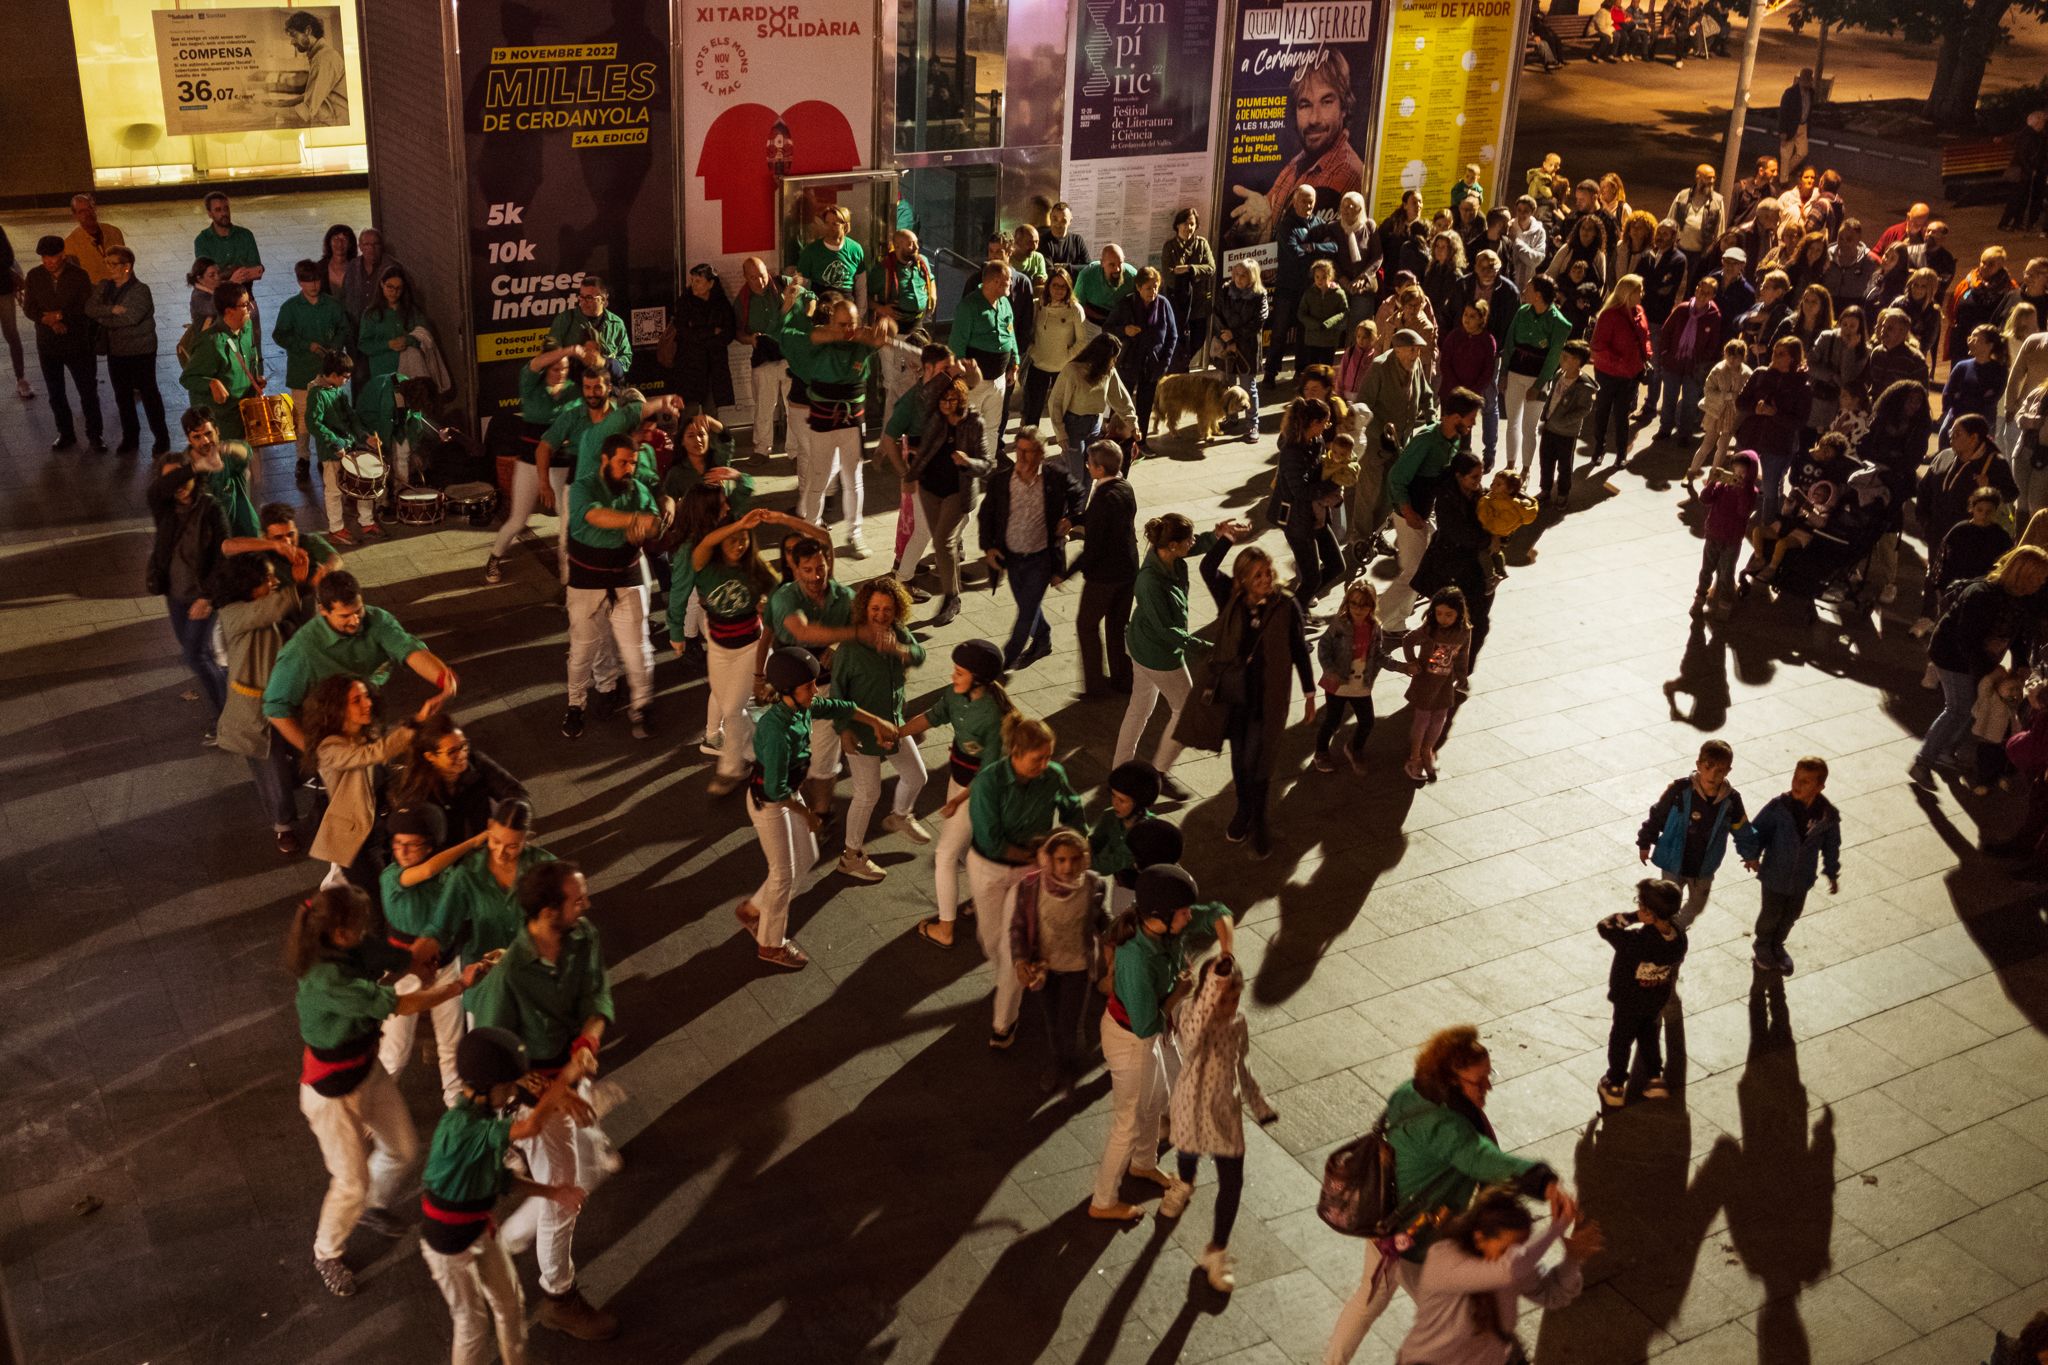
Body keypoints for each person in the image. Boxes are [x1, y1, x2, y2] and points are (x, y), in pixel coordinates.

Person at [1322, 1026, 1579, 1362]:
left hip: (1386, 1223)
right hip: (1417, 1238)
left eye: (1489, 1075)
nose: (1487, 1086)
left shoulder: (1412, 1091)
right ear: (1451, 1079)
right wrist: (1542, 1182)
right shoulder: (1448, 1128)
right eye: (1478, 1080)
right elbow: (1482, 1159)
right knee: (1469, 1315)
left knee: (1368, 1301)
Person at [287, 884, 487, 1298]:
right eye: (357, 927)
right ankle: (326, 1250)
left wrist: (418, 962)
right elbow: (402, 1005)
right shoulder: (326, 978)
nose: (363, 933)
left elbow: (389, 955)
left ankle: (368, 1206)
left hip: (366, 1070)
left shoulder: (348, 947)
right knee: (349, 1182)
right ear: (337, 931)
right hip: (330, 1095)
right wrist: (455, 986)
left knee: (403, 1148)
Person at [457, 858, 620, 1341]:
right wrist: (555, 1094)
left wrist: (588, 1045)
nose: (585, 904)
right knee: (566, 1190)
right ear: (549, 912)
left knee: (585, 1171)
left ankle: (513, 1238)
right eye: (576, 899)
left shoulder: (583, 936)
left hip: (570, 1078)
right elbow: (495, 1057)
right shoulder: (508, 976)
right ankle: (558, 1295)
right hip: (534, 1098)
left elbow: (598, 998)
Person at [420, 1027, 589, 1365]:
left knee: (511, 1304)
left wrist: (554, 1192)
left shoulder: (484, 1116)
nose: (514, 1093)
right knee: (471, 1323)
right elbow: (529, 1128)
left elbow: (502, 1180)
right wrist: (559, 1086)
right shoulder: (462, 1126)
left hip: (480, 1229)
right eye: (510, 1086)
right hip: (448, 1245)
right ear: (491, 1087)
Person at [1090, 864, 1233, 1221]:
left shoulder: (1165, 928)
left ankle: (1143, 1164)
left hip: (1149, 1037)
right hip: (1130, 1040)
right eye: (1183, 912)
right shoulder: (1136, 959)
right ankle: (1103, 1201)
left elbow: (1218, 913)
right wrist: (1180, 992)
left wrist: (1227, 951)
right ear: (1161, 916)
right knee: (1126, 1123)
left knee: (1154, 1101)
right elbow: (1145, 1025)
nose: (1189, 917)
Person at [1183, 541, 1314, 855]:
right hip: (1234, 695)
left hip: (1267, 699)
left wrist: (1309, 691)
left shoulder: (1285, 604)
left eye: (1267, 573)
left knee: (1260, 761)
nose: (1265, 580)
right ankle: (1245, 808)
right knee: (1241, 760)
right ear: (1241, 579)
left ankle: (1258, 819)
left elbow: (1298, 647)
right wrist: (1225, 540)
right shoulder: (1232, 597)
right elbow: (1206, 568)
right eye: (1257, 575)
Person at [1161, 952, 1276, 1291]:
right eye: (1223, 998)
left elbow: (1243, 1064)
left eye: (1235, 998)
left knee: (1232, 1181)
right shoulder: (1192, 1019)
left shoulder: (1238, 1023)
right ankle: (1184, 1183)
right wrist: (1212, 989)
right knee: (1187, 1153)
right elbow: (1192, 1037)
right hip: (1193, 1109)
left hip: (1226, 1112)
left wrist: (1258, 1102)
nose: (1230, 1006)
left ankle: (1216, 1249)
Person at [969, 712, 1084, 1046]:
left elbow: (1073, 808)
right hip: (989, 867)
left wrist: (1074, 841)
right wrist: (1037, 856)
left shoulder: (1053, 776)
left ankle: (1003, 1023)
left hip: (1029, 872)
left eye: (1049, 756)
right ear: (1015, 754)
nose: (1046, 765)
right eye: (1039, 758)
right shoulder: (989, 783)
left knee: (1012, 945)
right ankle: (1012, 979)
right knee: (989, 939)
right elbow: (991, 840)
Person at [1116, 514, 1247, 801]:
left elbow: (1197, 547)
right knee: (1185, 709)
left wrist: (1219, 535)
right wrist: (1204, 647)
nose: (1192, 543)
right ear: (1172, 545)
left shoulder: (1166, 555)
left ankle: (1120, 770)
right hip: (1157, 655)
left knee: (1139, 707)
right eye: (1187, 540)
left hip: (1141, 645)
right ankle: (1159, 773)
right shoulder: (1150, 581)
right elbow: (1167, 631)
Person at [261, 570, 456, 754]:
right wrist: (317, 754)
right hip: (331, 727)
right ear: (323, 611)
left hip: (366, 714)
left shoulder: (377, 619)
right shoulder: (301, 651)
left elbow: (407, 649)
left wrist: (442, 680)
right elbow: (276, 709)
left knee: (375, 759)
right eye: (345, 616)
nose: (355, 621)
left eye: (358, 611)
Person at [1395, 1190, 1600, 1365]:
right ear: (1479, 1238)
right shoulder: (1443, 1258)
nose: (1516, 1253)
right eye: (1505, 1248)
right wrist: (1556, 1228)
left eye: (1520, 1246)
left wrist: (1572, 1259)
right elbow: (1509, 1271)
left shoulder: (1516, 1262)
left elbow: (1554, 1294)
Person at [902, 640, 1016, 948]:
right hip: (960, 779)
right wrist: (898, 733)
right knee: (970, 850)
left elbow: (989, 773)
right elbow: (933, 715)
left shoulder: (993, 716)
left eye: (960, 671)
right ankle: (987, 900)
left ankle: (945, 927)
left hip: (979, 791)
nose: (953, 676)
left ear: (978, 678)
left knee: (945, 855)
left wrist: (956, 800)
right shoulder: (955, 695)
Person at [374, 804, 480, 1110]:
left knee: (451, 1043)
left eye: (412, 844)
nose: (403, 851)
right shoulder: (392, 876)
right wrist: (474, 842)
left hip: (446, 963)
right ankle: (374, 1107)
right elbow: (427, 870)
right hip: (403, 970)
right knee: (395, 1049)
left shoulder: (451, 878)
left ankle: (455, 1106)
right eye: (398, 843)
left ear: (431, 846)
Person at [562, 434, 663, 740]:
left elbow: (655, 522)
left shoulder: (638, 488)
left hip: (625, 577)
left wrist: (650, 524)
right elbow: (595, 515)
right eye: (623, 462)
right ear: (605, 460)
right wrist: (633, 521)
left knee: (637, 649)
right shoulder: (583, 487)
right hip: (586, 580)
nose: (629, 469)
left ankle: (641, 706)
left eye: (633, 462)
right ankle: (575, 704)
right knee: (583, 651)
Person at [830, 576, 930, 881]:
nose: (881, 615)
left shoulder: (898, 633)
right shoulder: (850, 649)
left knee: (916, 776)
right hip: (862, 733)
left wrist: (900, 650)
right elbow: (837, 694)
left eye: (887, 609)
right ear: (865, 608)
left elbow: (919, 655)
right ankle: (851, 856)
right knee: (867, 794)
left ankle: (899, 815)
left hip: (894, 725)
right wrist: (843, 730)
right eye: (875, 608)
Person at [208, 553, 303, 851]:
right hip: (256, 710)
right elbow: (274, 609)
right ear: (247, 586)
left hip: (288, 701)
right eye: (267, 580)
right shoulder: (234, 613)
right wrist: (301, 581)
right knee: (271, 770)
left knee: (302, 755)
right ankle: (283, 824)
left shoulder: (263, 608)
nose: (274, 583)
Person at [1006, 829, 1112, 1094]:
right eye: (1061, 860)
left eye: (1074, 859)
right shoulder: (1031, 886)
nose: (1068, 867)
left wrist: (1117, 939)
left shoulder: (1093, 885)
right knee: (1051, 1020)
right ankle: (1059, 1061)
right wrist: (1020, 961)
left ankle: (1067, 1066)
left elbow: (1102, 920)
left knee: (1069, 1021)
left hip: (1077, 967)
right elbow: (1018, 926)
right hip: (1045, 968)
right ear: (1049, 860)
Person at [782, 295, 886, 559]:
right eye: (841, 324)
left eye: (852, 323)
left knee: (854, 479)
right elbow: (814, 336)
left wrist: (883, 327)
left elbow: (886, 334)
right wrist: (835, 332)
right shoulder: (820, 341)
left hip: (853, 421)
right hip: (823, 420)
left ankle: (855, 533)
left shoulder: (861, 344)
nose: (848, 330)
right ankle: (810, 533)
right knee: (819, 476)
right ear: (831, 322)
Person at [768, 535, 859, 822]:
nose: (816, 576)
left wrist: (839, 646)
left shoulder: (845, 597)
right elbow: (802, 632)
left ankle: (821, 812)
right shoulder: (784, 598)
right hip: (790, 695)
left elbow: (863, 631)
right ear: (795, 570)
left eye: (820, 567)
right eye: (807, 570)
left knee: (824, 758)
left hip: (826, 689)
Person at [979, 430, 1080, 671]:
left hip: (1041, 558)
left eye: (1029, 451)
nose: (1022, 456)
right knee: (1028, 605)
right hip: (1012, 557)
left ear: (1042, 454)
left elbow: (1078, 493)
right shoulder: (1001, 481)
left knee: (1025, 612)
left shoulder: (1054, 477)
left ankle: (1004, 661)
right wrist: (989, 548)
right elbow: (986, 516)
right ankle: (1043, 637)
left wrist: (1071, 518)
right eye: (1019, 450)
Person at [1380, 388, 1482, 627]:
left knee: (1423, 570)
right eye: (1471, 419)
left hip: (1426, 512)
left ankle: (1396, 622)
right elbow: (1396, 479)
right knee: (1414, 572)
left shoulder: (1453, 439)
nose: (1473, 424)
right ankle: (1374, 619)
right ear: (1456, 417)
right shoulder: (1426, 440)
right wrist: (1409, 513)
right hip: (1410, 514)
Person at [1638, 738, 1760, 935]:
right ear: (1698, 765)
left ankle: (1675, 929)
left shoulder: (1731, 801)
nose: (1713, 774)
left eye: (1720, 770)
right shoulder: (1679, 790)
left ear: (1728, 771)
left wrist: (1750, 854)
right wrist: (1645, 841)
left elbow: (1742, 828)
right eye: (1708, 766)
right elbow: (1658, 814)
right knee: (1666, 904)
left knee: (1697, 905)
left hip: (1703, 866)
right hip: (1673, 862)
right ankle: (1658, 934)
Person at [146, 454, 229, 729]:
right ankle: (226, 696)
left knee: (195, 655)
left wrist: (208, 598)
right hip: (176, 595)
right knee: (197, 652)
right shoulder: (164, 508)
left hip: (202, 596)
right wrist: (190, 467)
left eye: (183, 477)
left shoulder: (210, 509)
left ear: (195, 478)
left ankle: (227, 718)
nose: (178, 485)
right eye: (171, 479)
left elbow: (222, 556)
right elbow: (155, 491)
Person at [1592, 878, 1689, 1107]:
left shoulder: (1636, 941)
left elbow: (1604, 926)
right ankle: (1655, 1078)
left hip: (1628, 1001)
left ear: (1648, 911)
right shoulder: (1679, 937)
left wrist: (1635, 917)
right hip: (1656, 998)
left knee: (1620, 1040)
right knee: (1649, 1036)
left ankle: (1615, 1084)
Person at [1748, 755, 1843, 974]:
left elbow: (1831, 846)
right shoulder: (1779, 808)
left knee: (1791, 914)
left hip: (1802, 879)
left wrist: (1832, 872)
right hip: (1774, 875)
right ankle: (1763, 944)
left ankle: (1777, 945)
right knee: (1770, 913)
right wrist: (1752, 854)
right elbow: (1757, 831)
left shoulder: (1827, 816)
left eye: (1805, 781)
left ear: (1820, 786)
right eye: (1796, 778)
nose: (1797, 785)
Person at [78, 244, 169, 456]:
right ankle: (131, 438)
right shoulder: (104, 286)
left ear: (127, 267)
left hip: (141, 351)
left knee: (149, 394)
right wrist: (111, 310)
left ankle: (161, 438)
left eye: (113, 264)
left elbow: (130, 318)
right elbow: (89, 308)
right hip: (116, 351)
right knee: (122, 395)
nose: (109, 268)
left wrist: (103, 318)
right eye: (107, 263)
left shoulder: (140, 291)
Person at [1068, 440, 1139, 698]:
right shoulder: (1124, 487)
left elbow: (1093, 547)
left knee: (1086, 625)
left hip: (1104, 577)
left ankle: (1096, 687)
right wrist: (1075, 519)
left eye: (1089, 463)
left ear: (1098, 468)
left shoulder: (1103, 497)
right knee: (1117, 625)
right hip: (1128, 569)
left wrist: (1066, 572)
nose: (1087, 467)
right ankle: (1124, 679)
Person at [23, 235, 102, 451]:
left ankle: (95, 435)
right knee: (55, 393)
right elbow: (29, 307)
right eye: (44, 257)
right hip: (48, 345)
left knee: (87, 391)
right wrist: (46, 319)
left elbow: (85, 307)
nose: (48, 261)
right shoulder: (34, 276)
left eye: (52, 257)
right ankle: (65, 433)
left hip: (77, 344)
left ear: (62, 255)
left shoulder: (79, 276)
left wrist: (59, 316)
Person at [272, 259, 350, 476]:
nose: (314, 285)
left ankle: (325, 456)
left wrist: (334, 348)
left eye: (316, 280)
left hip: (330, 373)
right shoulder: (290, 308)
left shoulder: (333, 305)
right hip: (302, 371)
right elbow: (280, 335)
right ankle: (303, 457)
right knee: (303, 418)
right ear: (299, 282)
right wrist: (306, 345)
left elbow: (344, 328)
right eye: (308, 281)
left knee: (329, 415)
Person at [1272, 397, 1344, 604]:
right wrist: (1333, 484)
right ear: (1314, 423)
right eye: (1325, 423)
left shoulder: (1316, 441)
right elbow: (1300, 491)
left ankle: (1298, 605)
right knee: (1311, 578)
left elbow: (1319, 471)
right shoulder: (1291, 451)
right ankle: (1292, 612)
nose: (1326, 428)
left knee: (1336, 565)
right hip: (1296, 520)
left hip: (1314, 514)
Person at [181, 281, 267, 446]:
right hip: (225, 425)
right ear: (229, 311)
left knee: (252, 469)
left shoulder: (247, 327)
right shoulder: (211, 343)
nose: (251, 307)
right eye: (245, 304)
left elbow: (251, 357)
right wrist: (211, 383)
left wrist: (255, 378)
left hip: (249, 416)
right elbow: (187, 378)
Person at [1735, 335, 1813, 516]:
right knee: (1738, 480)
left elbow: (1799, 421)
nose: (1775, 357)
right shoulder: (1761, 374)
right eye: (1775, 352)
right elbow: (1740, 402)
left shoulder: (1802, 385)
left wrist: (1775, 414)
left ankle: (1769, 524)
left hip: (1777, 444)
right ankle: (1733, 514)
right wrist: (1756, 408)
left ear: (1793, 358)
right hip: (1750, 437)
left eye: (1781, 354)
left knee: (1771, 488)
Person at [1399, 587, 1471, 782]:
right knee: (1422, 718)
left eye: (1449, 614)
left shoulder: (1464, 631)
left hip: (1445, 682)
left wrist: (1462, 675)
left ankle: (1427, 750)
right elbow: (1408, 640)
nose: (1443, 618)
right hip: (1425, 681)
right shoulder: (1430, 629)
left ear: (1459, 613)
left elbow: (1463, 654)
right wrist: (1411, 662)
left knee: (1440, 717)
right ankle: (1414, 756)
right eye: (1439, 613)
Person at [1048, 334, 1137, 483]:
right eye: (1113, 357)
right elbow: (1055, 402)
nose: (1115, 362)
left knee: (1091, 474)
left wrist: (1133, 423)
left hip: (1095, 425)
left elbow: (1121, 398)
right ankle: (1071, 505)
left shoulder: (1109, 372)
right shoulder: (1073, 371)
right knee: (1075, 476)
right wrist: (1060, 433)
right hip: (1073, 426)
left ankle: (1083, 507)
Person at [1315, 579, 1382, 773]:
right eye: (1354, 603)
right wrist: (1329, 669)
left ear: (1372, 605)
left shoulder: (1375, 627)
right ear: (1347, 603)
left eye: (1364, 604)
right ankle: (1321, 752)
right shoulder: (1340, 624)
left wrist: (1400, 667)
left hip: (1361, 683)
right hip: (1338, 682)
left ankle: (1354, 748)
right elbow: (1324, 646)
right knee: (1332, 720)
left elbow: (1378, 655)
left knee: (1367, 721)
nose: (1358, 609)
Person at [1110, 268, 1177, 435]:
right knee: (1120, 404)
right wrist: (1125, 330)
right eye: (1148, 287)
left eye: (1156, 287)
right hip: (1129, 362)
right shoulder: (1126, 304)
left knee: (1145, 406)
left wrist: (1165, 362)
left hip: (1152, 364)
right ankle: (1115, 439)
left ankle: (1141, 441)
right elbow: (1108, 329)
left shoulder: (1163, 304)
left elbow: (1172, 335)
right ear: (1139, 288)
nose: (1153, 291)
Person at [1021, 267, 1084, 436]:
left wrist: (1067, 357)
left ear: (1069, 288)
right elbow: (1029, 331)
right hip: (1039, 365)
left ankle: (1065, 445)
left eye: (1063, 286)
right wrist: (1033, 351)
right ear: (1048, 286)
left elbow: (1082, 341)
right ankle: (1028, 442)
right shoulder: (1038, 306)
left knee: (1061, 411)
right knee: (1032, 410)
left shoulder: (1075, 310)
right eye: (1055, 285)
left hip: (1062, 369)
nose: (1058, 290)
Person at [667, 264, 737, 412]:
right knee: (688, 412)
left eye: (698, 281)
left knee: (711, 413)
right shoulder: (684, 303)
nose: (693, 285)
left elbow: (728, 333)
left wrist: (702, 336)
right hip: (690, 368)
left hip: (714, 367)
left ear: (711, 283)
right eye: (692, 280)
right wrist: (711, 331)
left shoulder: (721, 304)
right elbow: (684, 333)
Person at [193, 192, 265, 326]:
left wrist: (224, 275)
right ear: (209, 213)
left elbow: (257, 271)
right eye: (218, 210)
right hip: (218, 303)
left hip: (246, 300)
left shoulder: (245, 235)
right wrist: (233, 277)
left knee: (252, 341)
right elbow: (207, 277)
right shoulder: (202, 241)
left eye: (226, 208)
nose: (224, 213)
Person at [547, 274, 632, 378]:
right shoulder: (565, 319)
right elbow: (550, 355)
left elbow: (626, 360)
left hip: (605, 386)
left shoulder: (616, 323)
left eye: (589, 297)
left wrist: (605, 363)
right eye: (581, 296)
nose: (583, 302)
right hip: (573, 385)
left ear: (603, 299)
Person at [356, 267, 426, 385]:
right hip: (384, 371)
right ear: (382, 284)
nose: (394, 292)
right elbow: (364, 344)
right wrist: (388, 344)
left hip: (411, 369)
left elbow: (424, 333)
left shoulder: (411, 310)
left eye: (399, 288)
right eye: (390, 287)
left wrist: (407, 340)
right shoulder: (372, 314)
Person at [280, 10, 348, 124]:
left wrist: (271, 112)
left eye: (294, 35)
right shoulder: (320, 55)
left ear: (308, 31)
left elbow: (307, 111)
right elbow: (311, 95)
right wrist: (282, 104)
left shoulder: (323, 59)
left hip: (333, 124)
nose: (291, 42)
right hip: (329, 121)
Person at [795, 204, 865, 297]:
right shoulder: (811, 251)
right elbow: (802, 284)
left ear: (845, 226)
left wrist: (861, 311)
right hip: (821, 302)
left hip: (846, 303)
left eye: (835, 224)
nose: (829, 227)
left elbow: (861, 286)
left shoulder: (855, 249)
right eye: (827, 223)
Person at [62, 192, 125, 285]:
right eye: (82, 211)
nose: (88, 214)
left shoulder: (114, 232)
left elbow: (126, 263)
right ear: (75, 216)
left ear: (95, 208)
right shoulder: (70, 245)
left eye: (89, 208)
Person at [0, 226, 30, 400]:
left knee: (11, 333)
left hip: (2, 289)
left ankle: (21, 377)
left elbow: (7, 257)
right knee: (12, 334)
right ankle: (21, 379)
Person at [1778, 68, 1815, 176]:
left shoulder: (1811, 93)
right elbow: (1783, 112)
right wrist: (1782, 131)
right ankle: (1783, 179)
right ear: (1800, 79)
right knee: (1786, 154)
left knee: (1802, 152)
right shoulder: (1790, 93)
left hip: (1803, 125)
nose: (1808, 82)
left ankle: (1784, 172)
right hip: (1790, 126)